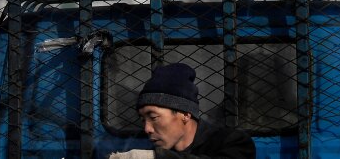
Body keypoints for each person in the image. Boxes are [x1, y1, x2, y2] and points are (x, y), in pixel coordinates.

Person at [109, 63, 256, 159]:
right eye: (143, 120)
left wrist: (156, 157)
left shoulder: (233, 142)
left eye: (153, 117)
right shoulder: (153, 149)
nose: (147, 129)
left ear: (185, 114)